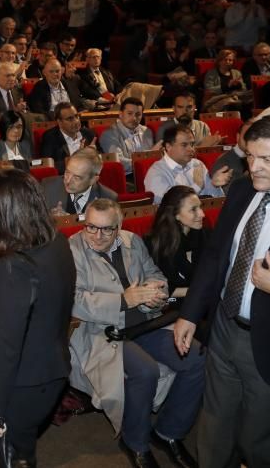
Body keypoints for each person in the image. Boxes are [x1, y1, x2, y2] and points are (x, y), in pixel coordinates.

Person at [173, 114, 270, 468]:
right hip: (225, 330)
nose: (254, 167)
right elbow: (215, 256)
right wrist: (190, 313)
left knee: (260, 446)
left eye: (267, 159)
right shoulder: (243, 188)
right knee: (214, 433)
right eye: (250, 156)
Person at [70, 198, 205, 468]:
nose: (97, 236)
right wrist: (124, 300)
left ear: (118, 227)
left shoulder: (132, 241)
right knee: (145, 371)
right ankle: (136, 441)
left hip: (146, 323)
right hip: (103, 332)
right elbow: (73, 300)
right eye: (91, 227)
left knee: (196, 358)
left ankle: (168, 432)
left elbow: (155, 274)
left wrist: (156, 291)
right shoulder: (72, 249)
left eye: (106, 229)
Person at [0, 168, 76, 467]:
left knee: (15, 456)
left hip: (25, 385)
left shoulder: (14, 267)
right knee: (24, 450)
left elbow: (4, 347)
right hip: (54, 372)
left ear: (7, 215)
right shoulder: (58, 243)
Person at [144, 124, 232, 204]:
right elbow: (170, 205)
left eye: (192, 144)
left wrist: (214, 185)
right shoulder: (156, 172)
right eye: (184, 145)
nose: (191, 149)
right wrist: (196, 187)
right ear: (168, 146)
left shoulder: (197, 164)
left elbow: (216, 201)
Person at [145, 186, 208, 290]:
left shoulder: (205, 236)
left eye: (200, 207)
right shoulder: (158, 244)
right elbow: (167, 291)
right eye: (193, 209)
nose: (202, 214)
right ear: (176, 214)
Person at [41, 147, 117, 216]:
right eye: (67, 172)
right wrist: (51, 219)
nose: (68, 180)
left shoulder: (107, 198)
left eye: (77, 177)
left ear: (93, 180)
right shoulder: (48, 187)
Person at [100, 97, 154, 177]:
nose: (134, 118)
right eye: (129, 113)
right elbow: (119, 162)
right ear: (121, 114)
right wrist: (146, 161)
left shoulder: (146, 131)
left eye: (138, 114)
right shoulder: (109, 135)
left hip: (148, 173)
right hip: (126, 178)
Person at [40, 102, 97, 172]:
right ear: (59, 122)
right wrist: (75, 159)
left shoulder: (88, 134)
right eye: (70, 119)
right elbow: (48, 165)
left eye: (76, 116)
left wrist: (95, 155)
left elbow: (102, 158)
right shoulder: (50, 138)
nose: (76, 121)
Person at [155, 93, 220, 147]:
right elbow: (166, 157)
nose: (185, 111)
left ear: (194, 108)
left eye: (189, 107)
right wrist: (202, 147)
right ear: (174, 109)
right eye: (180, 107)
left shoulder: (202, 126)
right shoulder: (164, 129)